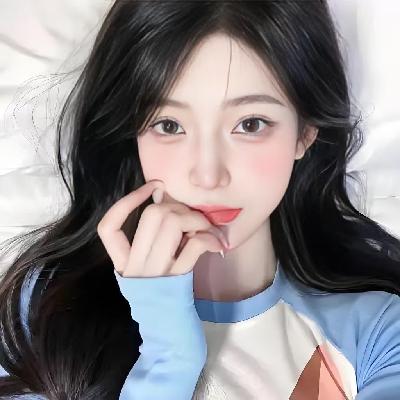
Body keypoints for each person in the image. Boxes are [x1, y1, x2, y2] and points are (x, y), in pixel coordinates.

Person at [1, 1, 400, 399]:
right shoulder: (44, 317)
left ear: (305, 133)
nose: (208, 176)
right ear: (131, 134)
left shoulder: (380, 334)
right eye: (169, 125)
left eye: (250, 124)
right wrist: (168, 359)